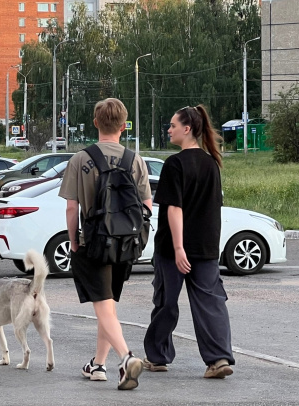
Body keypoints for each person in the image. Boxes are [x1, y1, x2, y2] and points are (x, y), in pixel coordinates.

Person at [59, 98, 152, 390]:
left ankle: (126, 358)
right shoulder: (134, 159)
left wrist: (74, 242)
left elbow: (72, 208)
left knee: (103, 306)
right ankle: (98, 365)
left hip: (93, 243)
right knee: (107, 306)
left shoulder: (80, 159)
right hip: (125, 245)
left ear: (96, 123)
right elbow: (147, 205)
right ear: (124, 126)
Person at [143, 105, 235, 379]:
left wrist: (179, 247)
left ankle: (157, 357)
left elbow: (174, 208)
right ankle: (218, 359)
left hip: (174, 250)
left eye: (172, 125)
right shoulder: (211, 163)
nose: (169, 130)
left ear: (187, 129)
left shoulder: (175, 163)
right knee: (211, 303)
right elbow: (213, 209)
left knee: (166, 303)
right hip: (206, 248)